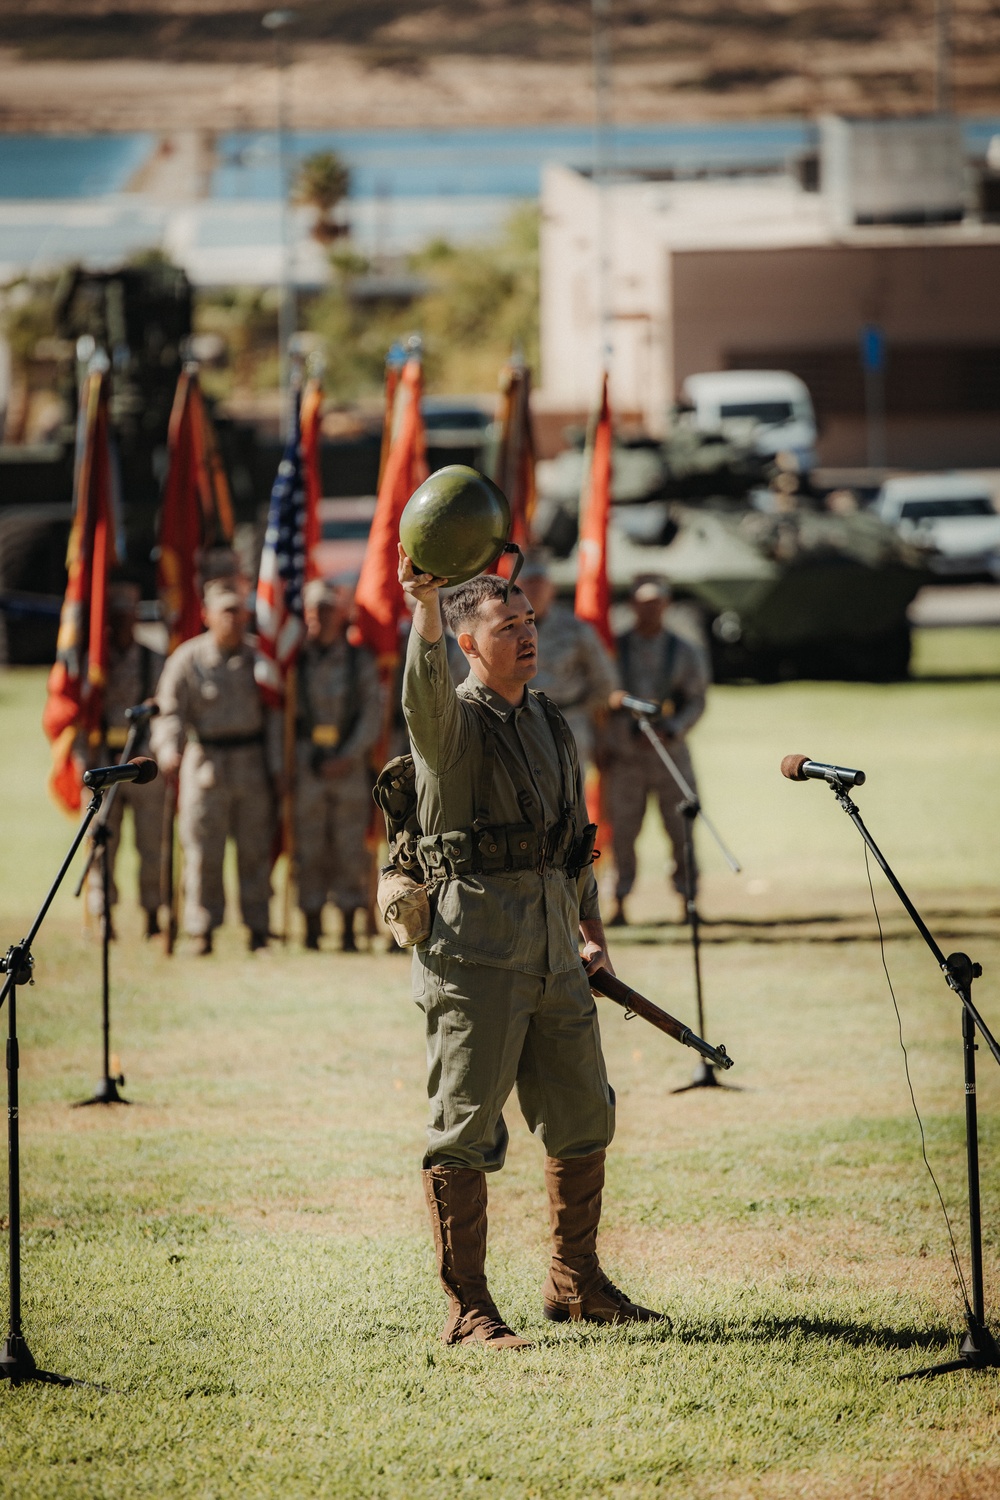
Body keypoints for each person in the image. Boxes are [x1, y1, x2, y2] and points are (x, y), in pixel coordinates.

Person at [398, 544, 663, 1350]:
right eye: (504, 626)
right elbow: (422, 692)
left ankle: (575, 1281)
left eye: (528, 622)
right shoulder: (450, 725)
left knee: (586, 1116)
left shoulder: (549, 718)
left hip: (556, 952)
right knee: (465, 1129)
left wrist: (591, 929)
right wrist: (424, 608)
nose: (524, 635)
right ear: (468, 643)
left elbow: (572, 840)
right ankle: (468, 1306)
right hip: (477, 957)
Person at [151, 578, 274, 954]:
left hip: (252, 764)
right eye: (226, 613)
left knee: (255, 850)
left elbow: (278, 717)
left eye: (240, 613)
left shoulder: (261, 659)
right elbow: (167, 712)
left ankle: (258, 928)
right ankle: (201, 927)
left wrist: (281, 769)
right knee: (203, 851)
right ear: (207, 615)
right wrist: (169, 749)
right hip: (205, 765)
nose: (234, 620)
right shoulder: (187, 660)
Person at [273, 577, 384, 952]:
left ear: (341, 614)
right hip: (308, 762)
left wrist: (349, 754)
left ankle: (351, 928)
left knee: (350, 845)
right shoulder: (294, 660)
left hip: (348, 764)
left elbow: (373, 711)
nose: (316, 618)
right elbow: (281, 716)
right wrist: (283, 767)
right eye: (311, 611)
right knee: (309, 847)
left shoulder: (359, 659)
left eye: (325, 610)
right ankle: (311, 925)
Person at [605, 577, 708, 926]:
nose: (650, 609)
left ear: (666, 605)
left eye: (657, 602)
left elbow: (697, 698)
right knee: (623, 834)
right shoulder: (613, 649)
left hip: (670, 754)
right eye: (642, 602)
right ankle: (618, 902)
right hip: (626, 756)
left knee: (682, 831)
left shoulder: (683, 650)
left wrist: (674, 728)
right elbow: (601, 697)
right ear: (632, 605)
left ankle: (689, 901)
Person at [84, 578, 166, 938]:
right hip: (103, 764)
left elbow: (168, 711)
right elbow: (78, 714)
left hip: (142, 766)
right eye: (115, 616)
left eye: (129, 615)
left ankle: (152, 912)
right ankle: (104, 915)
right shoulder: (92, 664)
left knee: (151, 844)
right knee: (103, 843)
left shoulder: (154, 659)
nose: (122, 623)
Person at [517, 551, 618, 769]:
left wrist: (578, 711)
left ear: (551, 589)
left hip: (569, 726)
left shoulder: (576, 630)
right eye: (528, 583)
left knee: (570, 798)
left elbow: (605, 682)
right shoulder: (505, 631)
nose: (534, 590)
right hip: (521, 729)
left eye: (539, 583)